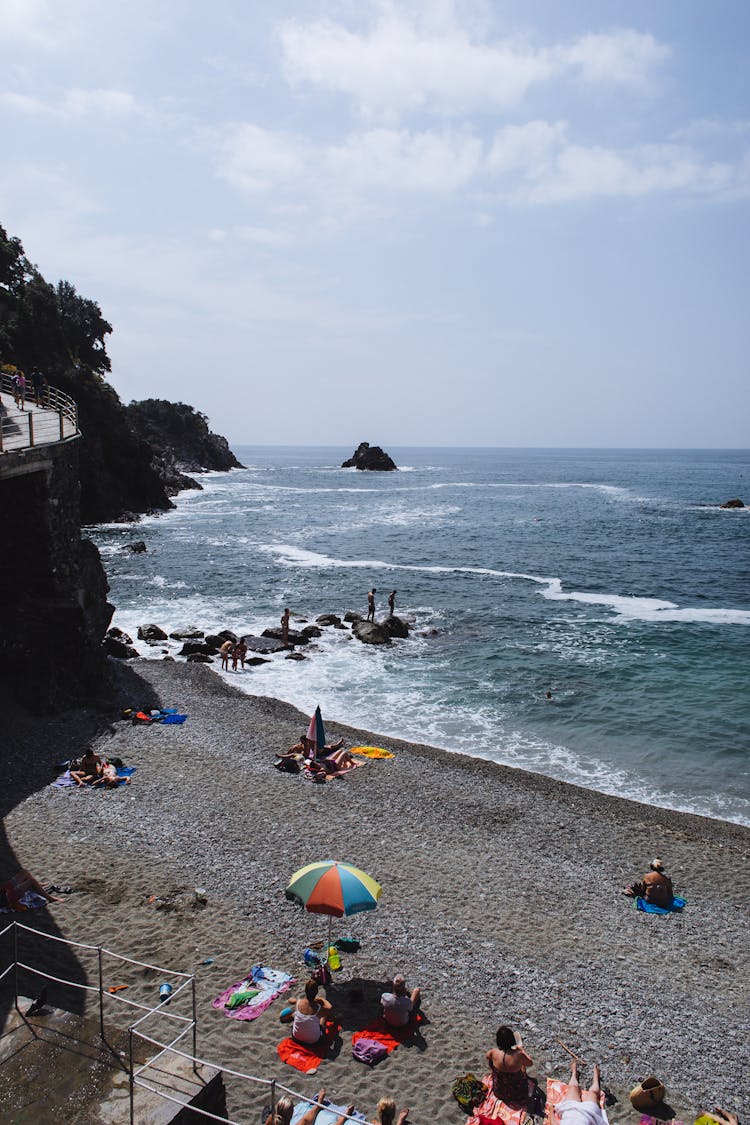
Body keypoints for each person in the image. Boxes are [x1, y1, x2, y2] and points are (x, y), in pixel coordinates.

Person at [486, 1026, 536, 1108]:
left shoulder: (493, 1052)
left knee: (492, 1061)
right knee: (522, 1064)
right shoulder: (519, 1055)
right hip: (517, 1093)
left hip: (499, 1091)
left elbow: (487, 1056)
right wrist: (521, 1050)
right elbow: (530, 1063)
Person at [264, 1088, 354, 1125]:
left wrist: (318, 1103)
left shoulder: (270, 1119)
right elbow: (306, 1120)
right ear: (291, 1114)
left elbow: (305, 1120)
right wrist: (344, 1116)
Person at [292, 979, 333, 1045]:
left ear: (305, 991)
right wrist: (321, 999)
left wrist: (296, 1000)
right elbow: (330, 1007)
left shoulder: (298, 1002)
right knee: (324, 1016)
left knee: (296, 1014)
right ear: (316, 992)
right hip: (313, 1041)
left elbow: (290, 1000)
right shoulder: (318, 1008)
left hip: (296, 1037)